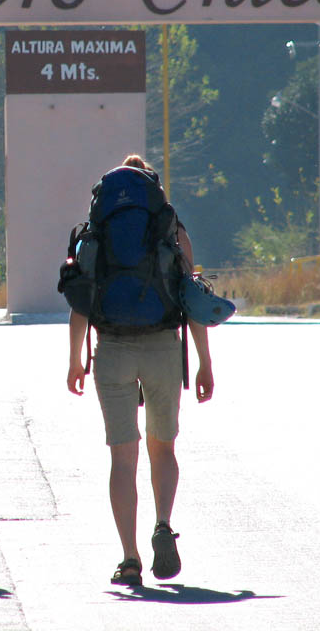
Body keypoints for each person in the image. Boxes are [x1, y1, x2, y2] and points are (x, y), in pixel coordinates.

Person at [66, 154, 214, 587]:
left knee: (122, 456)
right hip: (162, 347)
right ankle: (163, 524)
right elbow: (191, 299)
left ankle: (129, 558)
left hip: (111, 348)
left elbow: (81, 298)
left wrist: (76, 357)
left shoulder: (96, 230)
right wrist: (205, 362)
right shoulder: (171, 229)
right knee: (162, 448)